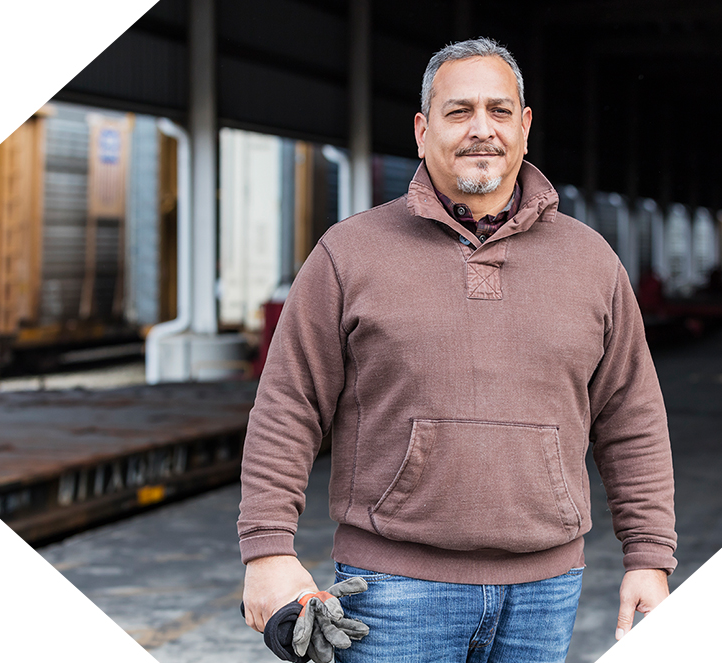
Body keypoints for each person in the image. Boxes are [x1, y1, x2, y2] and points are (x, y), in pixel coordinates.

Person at [238, 37, 677, 663]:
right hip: (390, 593)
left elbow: (631, 419)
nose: (482, 130)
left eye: (500, 111)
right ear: (422, 130)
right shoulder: (349, 253)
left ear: (525, 128)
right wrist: (267, 550)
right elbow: (287, 407)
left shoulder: (592, 262)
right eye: (458, 111)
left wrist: (649, 557)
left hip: (545, 594)